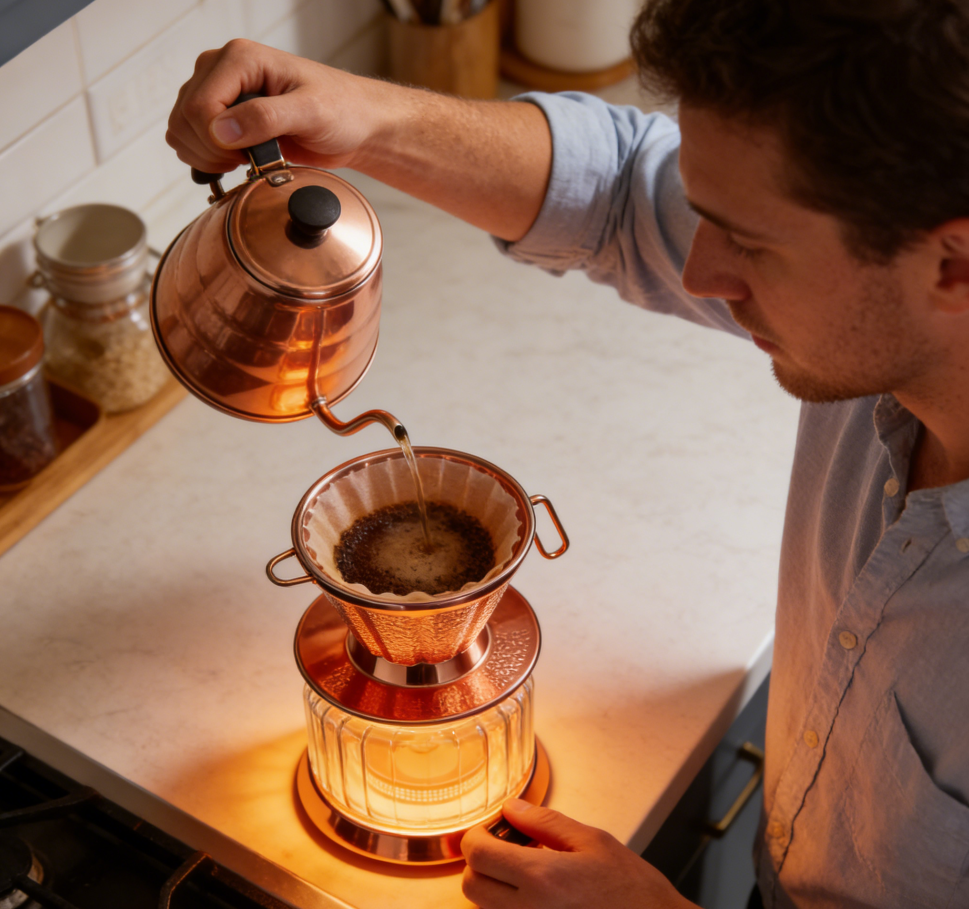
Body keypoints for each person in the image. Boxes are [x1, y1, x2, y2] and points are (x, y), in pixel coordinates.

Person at [167, 1, 969, 906]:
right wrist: (367, 119)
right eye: (709, 216)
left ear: (952, 264)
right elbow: (625, 186)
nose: (700, 276)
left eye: (748, 242)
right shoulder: (886, 315)